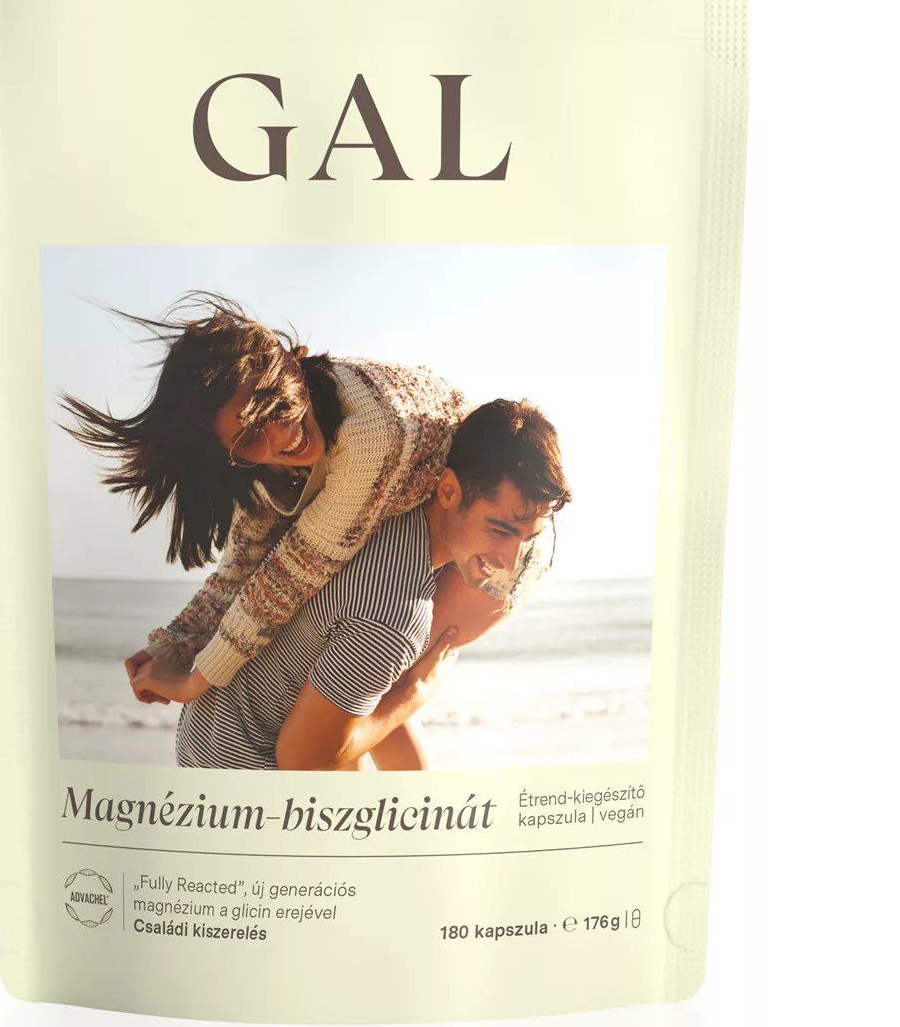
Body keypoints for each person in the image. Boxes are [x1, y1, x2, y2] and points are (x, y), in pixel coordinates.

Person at [59, 294, 553, 766]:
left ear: (290, 369)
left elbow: (287, 578)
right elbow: (237, 574)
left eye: (276, 407)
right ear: (226, 451)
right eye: (249, 438)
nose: (283, 436)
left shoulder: (370, 436)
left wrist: (193, 682)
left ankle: (420, 810)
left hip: (494, 518)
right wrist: (173, 645)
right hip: (435, 505)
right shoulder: (265, 471)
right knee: (349, 686)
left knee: (386, 673)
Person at [175, 397, 572, 769]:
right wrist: (412, 694)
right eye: (500, 530)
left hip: (203, 733)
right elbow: (303, 762)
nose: (510, 562)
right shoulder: (396, 616)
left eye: (527, 539)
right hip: (238, 784)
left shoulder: (377, 506)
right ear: (449, 490)